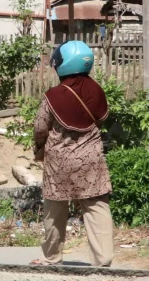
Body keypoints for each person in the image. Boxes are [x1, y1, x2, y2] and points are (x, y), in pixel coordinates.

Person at [30, 41, 114, 268]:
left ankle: (52, 257)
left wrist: (39, 150)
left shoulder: (53, 96)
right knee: (96, 206)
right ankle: (103, 258)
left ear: (65, 64)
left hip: (59, 161)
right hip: (92, 159)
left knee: (55, 209)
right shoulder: (96, 90)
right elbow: (103, 118)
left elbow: (40, 127)